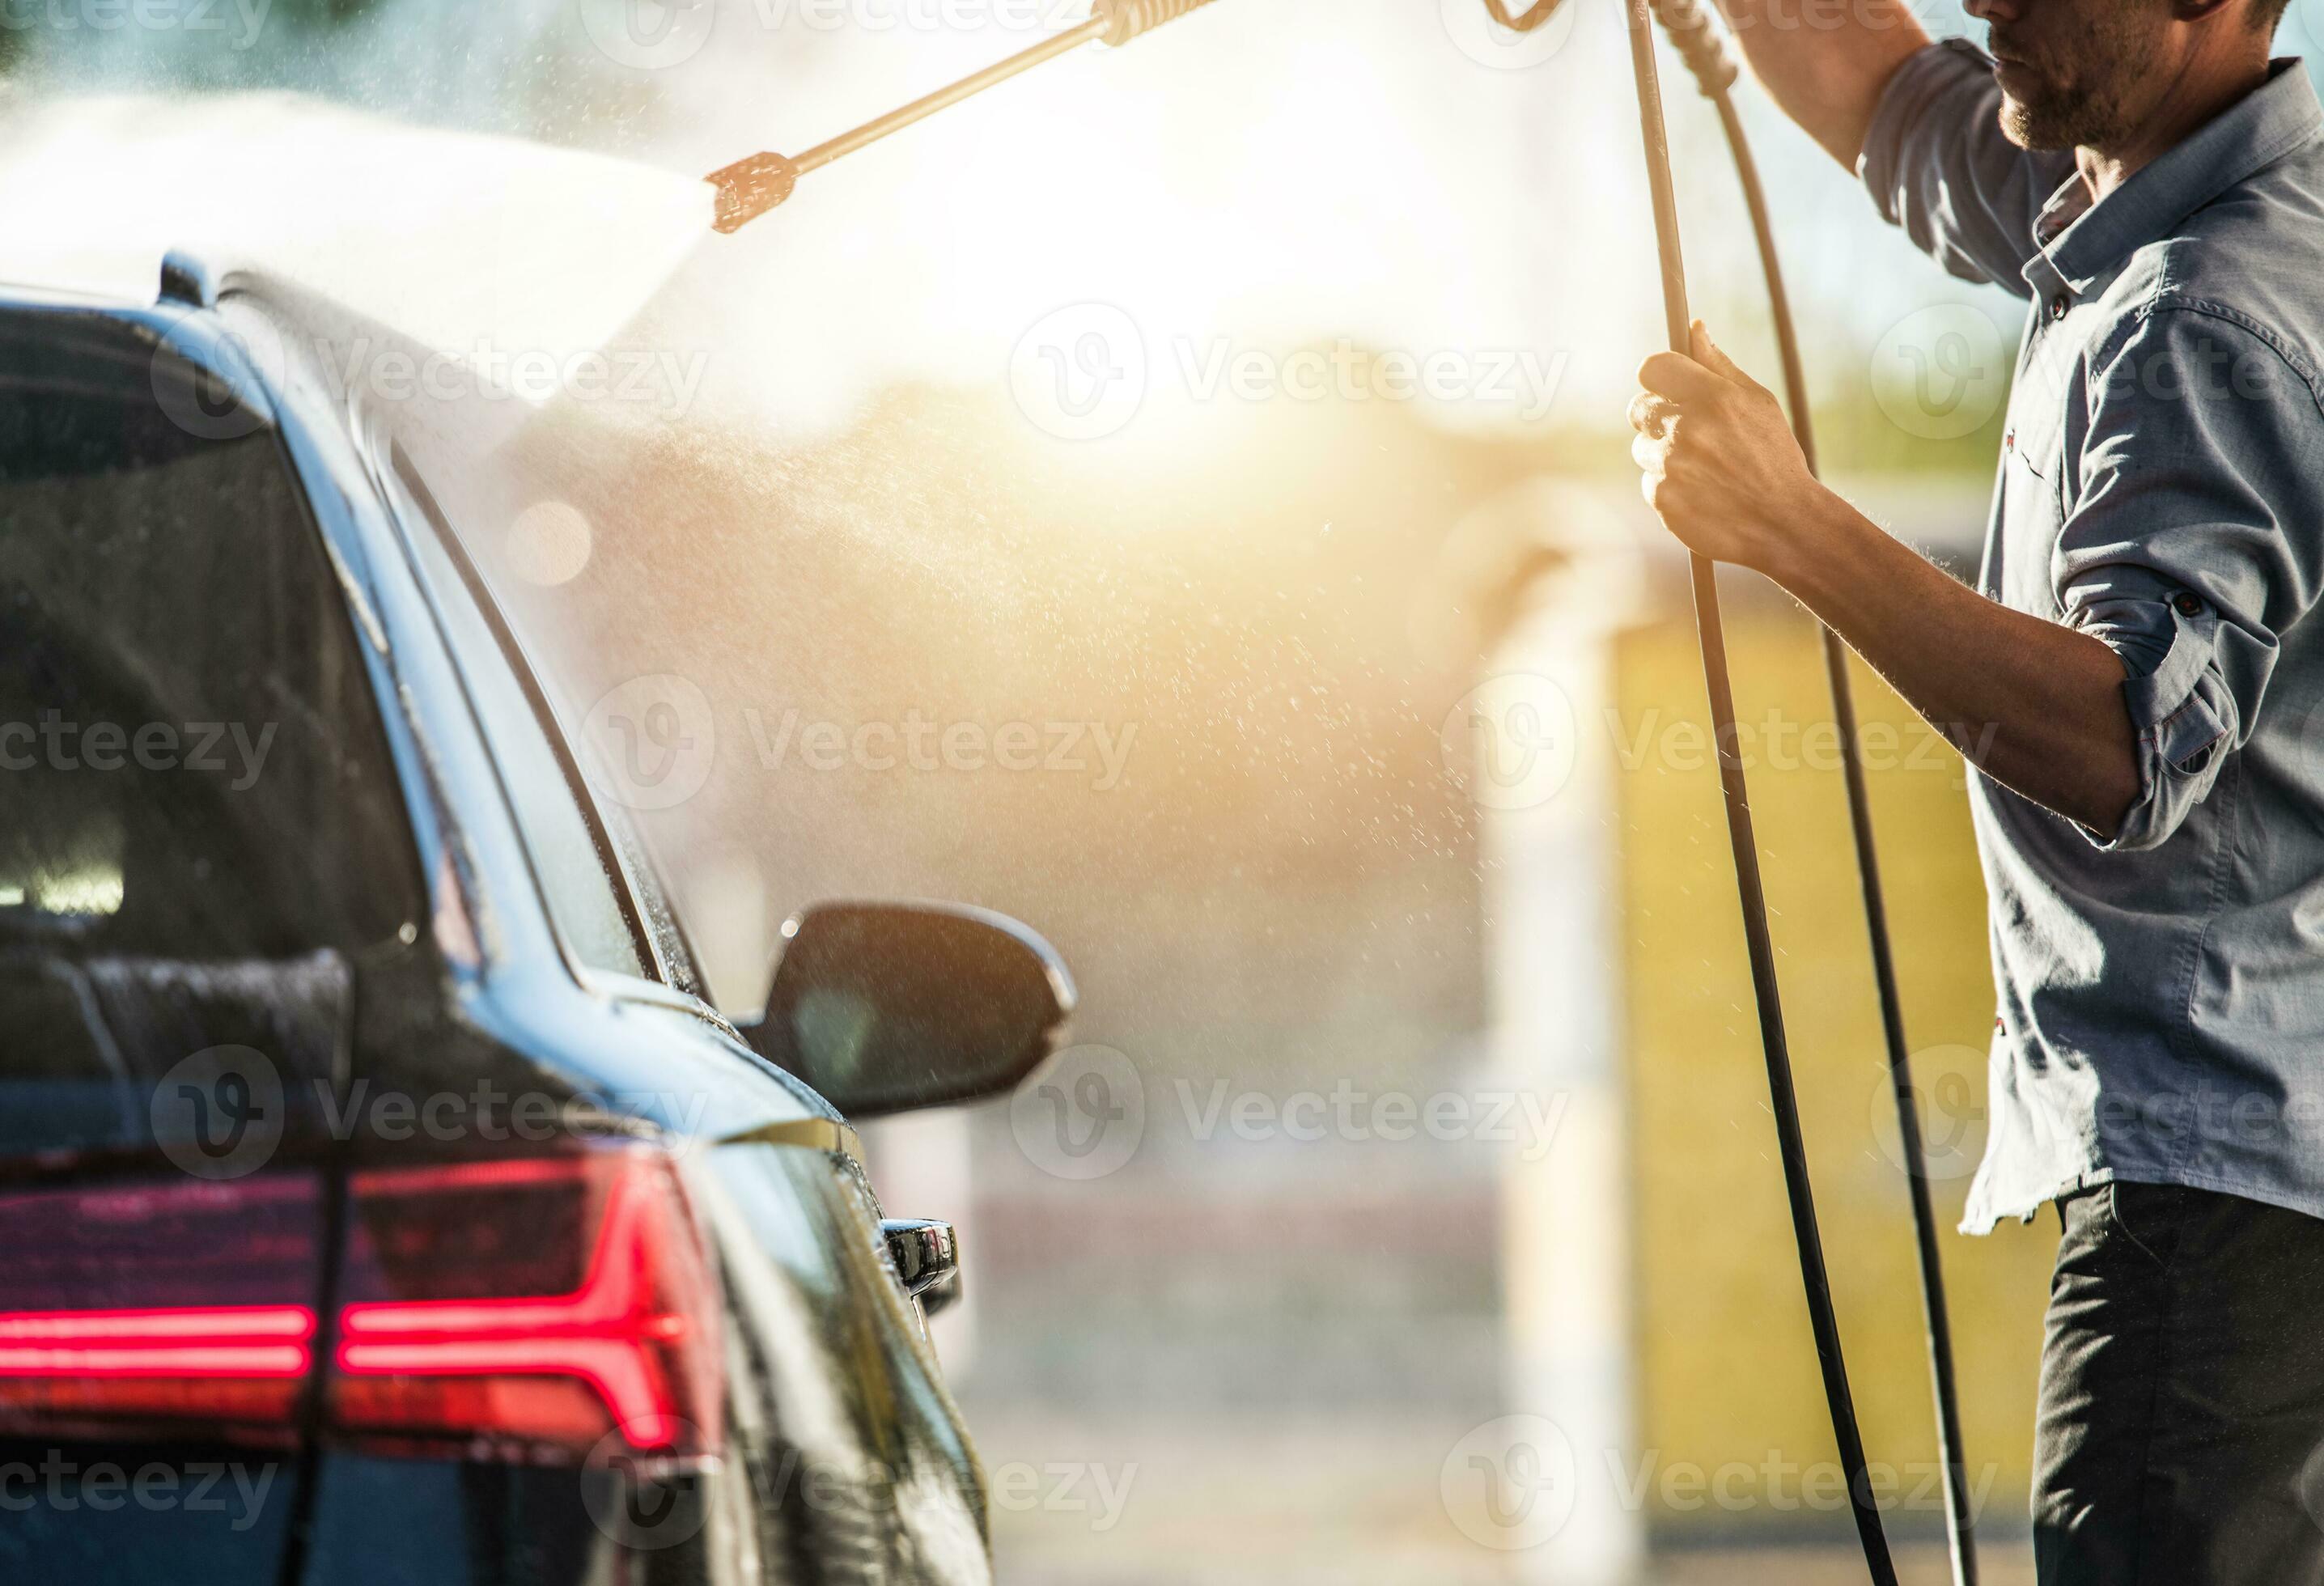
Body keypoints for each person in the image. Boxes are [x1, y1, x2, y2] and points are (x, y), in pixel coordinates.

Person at [1626, 0, 2324, 1578]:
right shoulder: (2123, 181)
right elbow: (1874, 89)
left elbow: (2120, 742)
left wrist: (1791, 524)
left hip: (2213, 1230)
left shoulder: (2211, 305)